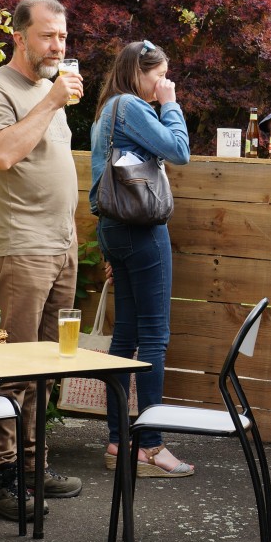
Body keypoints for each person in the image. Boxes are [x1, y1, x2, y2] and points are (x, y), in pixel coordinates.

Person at [0, 0, 85, 521]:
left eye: (62, 36)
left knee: (46, 366)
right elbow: (3, 153)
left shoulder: (47, 90)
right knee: (14, 369)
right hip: (21, 247)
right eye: (47, 36)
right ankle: (2, 480)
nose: (57, 46)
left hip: (60, 246)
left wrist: (52, 99)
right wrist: (51, 103)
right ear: (19, 36)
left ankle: (33, 468)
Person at [89, 40, 193, 477]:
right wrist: (171, 105)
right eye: (160, 75)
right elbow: (179, 151)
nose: (163, 83)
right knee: (154, 337)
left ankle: (118, 441)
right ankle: (151, 445)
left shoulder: (106, 110)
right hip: (141, 228)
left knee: (126, 334)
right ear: (139, 71)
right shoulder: (131, 105)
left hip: (115, 230)